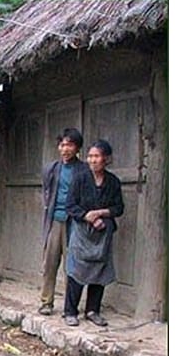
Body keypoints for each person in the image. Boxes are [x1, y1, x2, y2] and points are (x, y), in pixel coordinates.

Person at [62, 139, 124, 327]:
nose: (92, 160)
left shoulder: (113, 181)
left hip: (103, 233)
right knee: (77, 270)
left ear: (106, 158)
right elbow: (70, 205)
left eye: (96, 156)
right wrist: (87, 216)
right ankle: (70, 311)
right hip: (82, 231)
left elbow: (119, 208)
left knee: (99, 271)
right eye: (90, 156)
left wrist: (101, 213)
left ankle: (92, 310)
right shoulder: (80, 178)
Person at [38, 128, 90, 315]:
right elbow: (46, 192)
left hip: (74, 222)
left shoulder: (84, 170)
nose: (65, 149)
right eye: (62, 145)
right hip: (55, 221)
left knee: (73, 266)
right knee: (49, 264)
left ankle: (70, 306)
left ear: (77, 148)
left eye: (69, 145)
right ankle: (46, 302)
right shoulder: (52, 168)